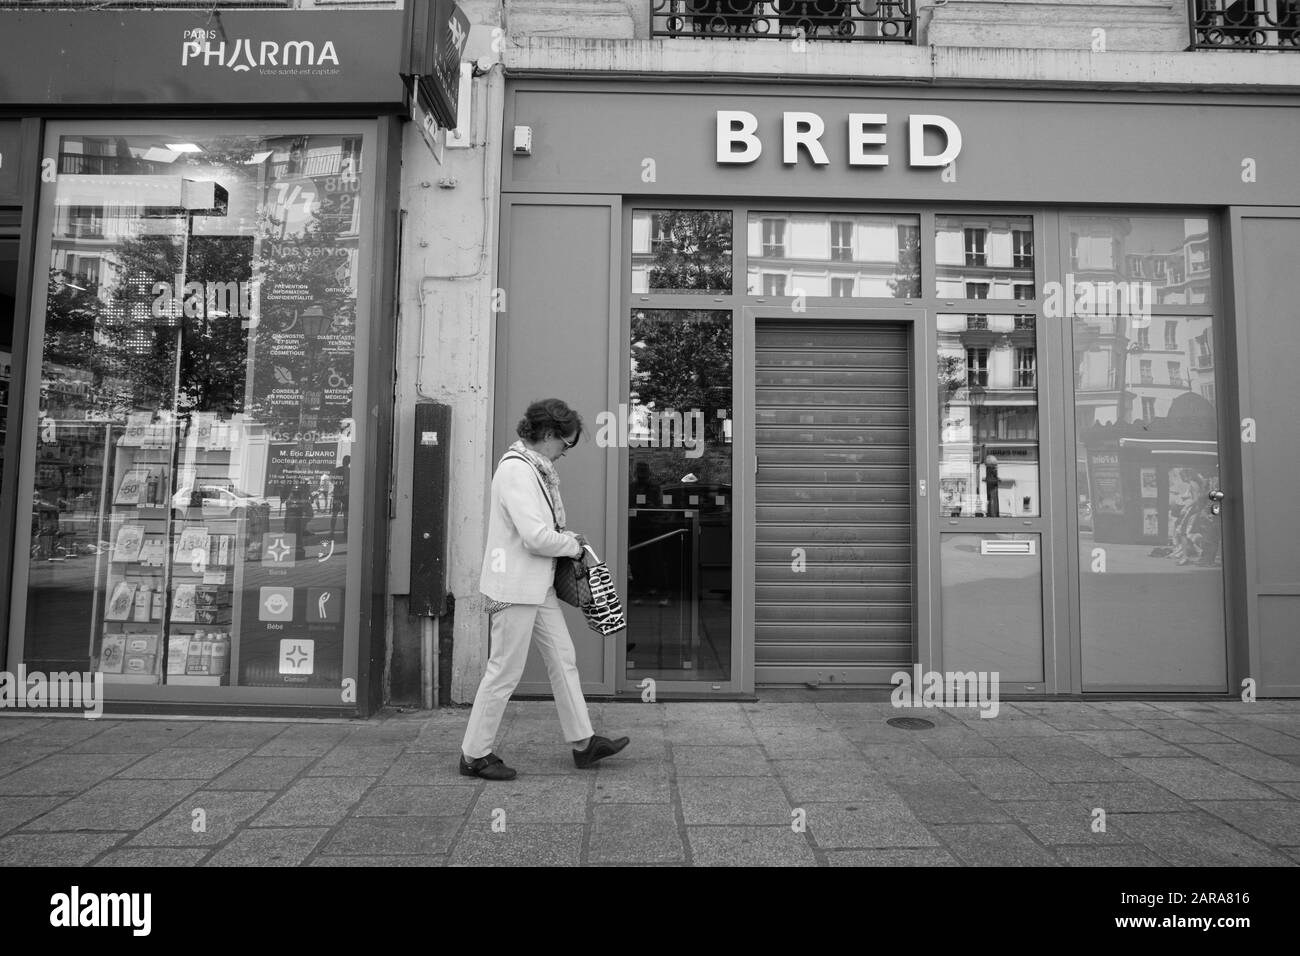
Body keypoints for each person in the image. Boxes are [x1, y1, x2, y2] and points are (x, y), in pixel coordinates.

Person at [460, 398, 629, 781]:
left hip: (536, 584)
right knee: (503, 670)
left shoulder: (534, 469)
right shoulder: (517, 472)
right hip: (514, 587)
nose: (565, 453)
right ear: (549, 435)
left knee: (563, 658)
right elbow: (535, 537)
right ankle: (474, 754)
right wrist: (574, 545)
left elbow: (539, 532)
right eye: (565, 445)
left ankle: (584, 743)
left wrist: (563, 538)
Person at [329, 455, 350, 536]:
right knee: (345, 514)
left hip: (338, 494)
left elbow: (331, 479)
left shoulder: (337, 470)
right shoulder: (350, 471)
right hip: (345, 495)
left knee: (335, 513)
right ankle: (345, 531)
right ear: (349, 462)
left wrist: (337, 486)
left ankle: (332, 530)